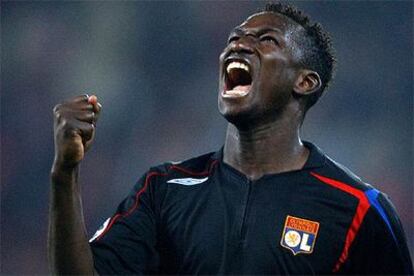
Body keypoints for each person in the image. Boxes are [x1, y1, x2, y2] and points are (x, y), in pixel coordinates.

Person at [48, 2, 413, 275]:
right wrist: (65, 174)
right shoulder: (164, 189)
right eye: (234, 38)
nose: (238, 46)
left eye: (266, 40)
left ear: (304, 81)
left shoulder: (359, 209)